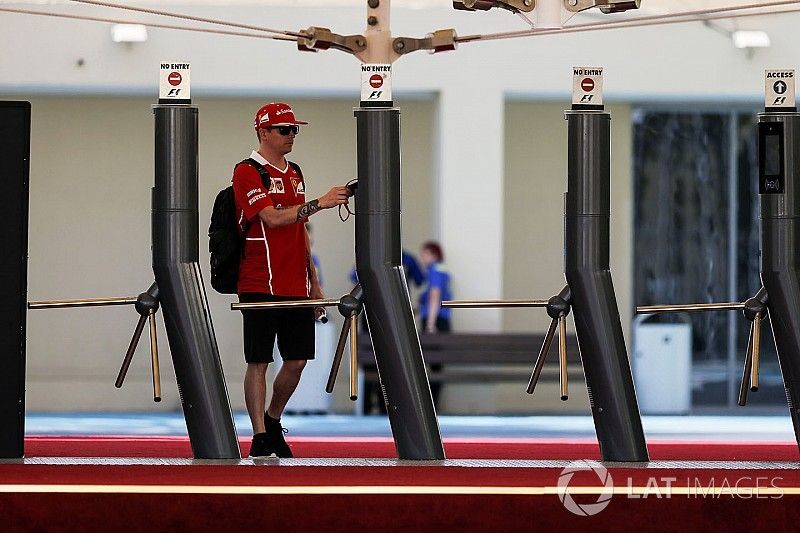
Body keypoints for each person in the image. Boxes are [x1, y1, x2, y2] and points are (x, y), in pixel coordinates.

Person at [233, 102, 350, 458]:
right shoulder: (247, 171)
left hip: (296, 283)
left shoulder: (295, 172)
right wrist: (320, 203)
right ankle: (258, 434)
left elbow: (300, 231)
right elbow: (271, 217)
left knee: (297, 360)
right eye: (284, 130)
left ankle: (272, 418)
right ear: (263, 132)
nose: (291, 136)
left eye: (294, 129)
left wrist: (314, 283)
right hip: (259, 280)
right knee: (259, 360)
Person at [419, 240, 452, 407]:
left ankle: (431, 404)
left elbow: (434, 295)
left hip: (435, 320)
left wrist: (430, 324)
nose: (422, 257)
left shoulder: (434, 270)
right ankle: (433, 403)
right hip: (442, 320)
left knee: (432, 364)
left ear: (433, 254)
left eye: (424, 253)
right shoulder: (442, 270)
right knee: (436, 365)